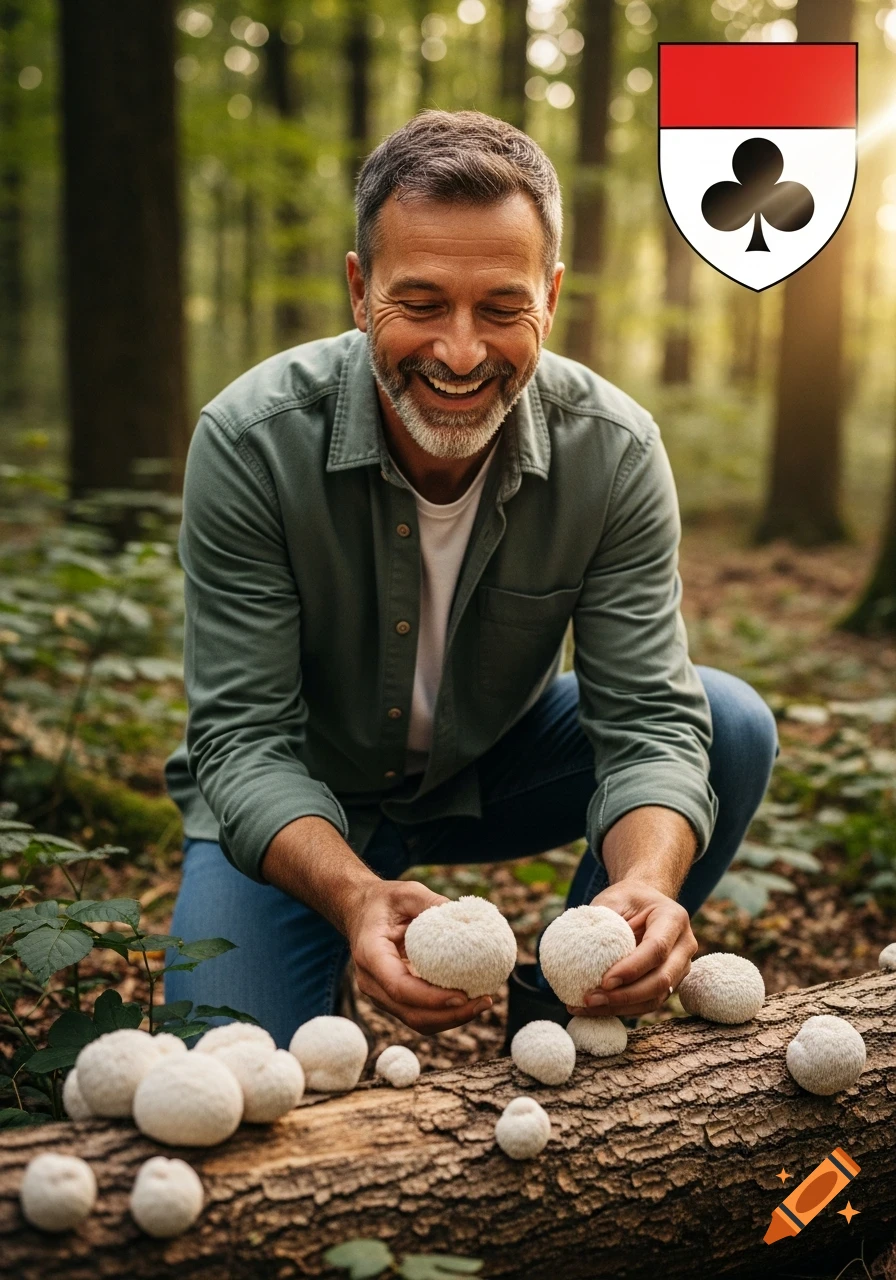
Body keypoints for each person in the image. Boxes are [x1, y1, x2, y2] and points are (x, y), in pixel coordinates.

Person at [162, 110, 779, 1051]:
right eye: (421, 304)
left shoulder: (611, 454)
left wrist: (646, 884)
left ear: (552, 295)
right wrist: (356, 895)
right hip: (301, 799)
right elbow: (242, 740)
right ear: (360, 289)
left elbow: (648, 718)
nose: (460, 351)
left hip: (493, 770)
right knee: (227, 1069)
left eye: (501, 307)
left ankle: (562, 1019)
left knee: (726, 720)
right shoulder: (250, 442)